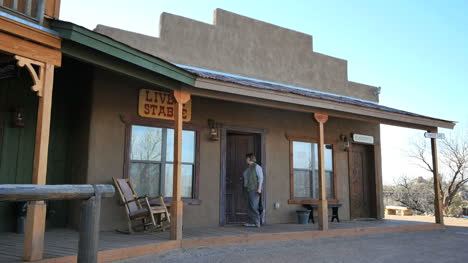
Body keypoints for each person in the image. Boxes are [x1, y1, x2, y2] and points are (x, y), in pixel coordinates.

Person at [242, 153, 263, 227]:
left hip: (254, 189)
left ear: (249, 159)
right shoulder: (248, 168)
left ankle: (257, 222)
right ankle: (251, 222)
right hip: (247, 189)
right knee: (249, 206)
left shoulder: (257, 167)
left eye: (246, 158)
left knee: (254, 206)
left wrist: (259, 189)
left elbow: (260, 178)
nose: (245, 160)